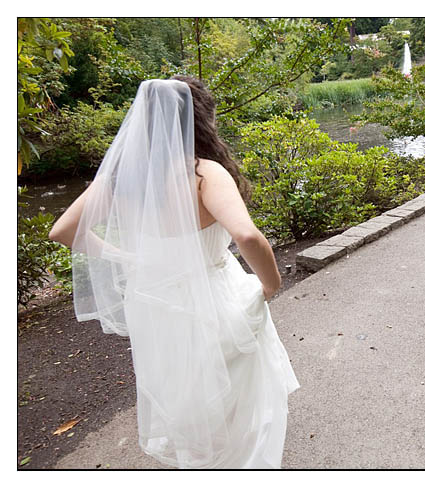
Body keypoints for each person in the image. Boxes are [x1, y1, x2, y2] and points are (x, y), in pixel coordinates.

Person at [49, 77, 299, 469]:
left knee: (188, 395)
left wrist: (125, 257)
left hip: (157, 303)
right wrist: (271, 283)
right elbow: (247, 235)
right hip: (215, 295)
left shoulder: (124, 179)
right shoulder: (204, 173)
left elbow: (62, 231)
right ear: (201, 119)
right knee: (242, 398)